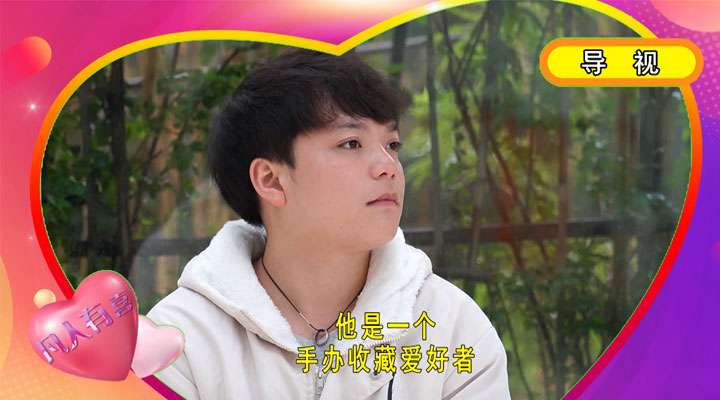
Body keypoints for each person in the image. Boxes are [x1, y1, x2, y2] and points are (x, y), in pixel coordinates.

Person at [147, 48, 510, 400]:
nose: (388, 166)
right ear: (271, 180)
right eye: (351, 143)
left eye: (392, 144)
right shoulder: (179, 342)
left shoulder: (452, 328)